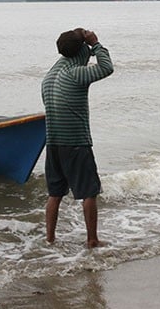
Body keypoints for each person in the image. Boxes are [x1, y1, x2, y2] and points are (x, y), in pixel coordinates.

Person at [41, 28, 114, 248]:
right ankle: (92, 240)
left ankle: (50, 239)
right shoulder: (76, 73)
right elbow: (106, 68)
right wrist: (96, 44)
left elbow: (70, 52)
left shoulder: (50, 76)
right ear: (81, 50)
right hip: (75, 142)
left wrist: (82, 44)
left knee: (55, 194)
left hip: (53, 142)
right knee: (89, 192)